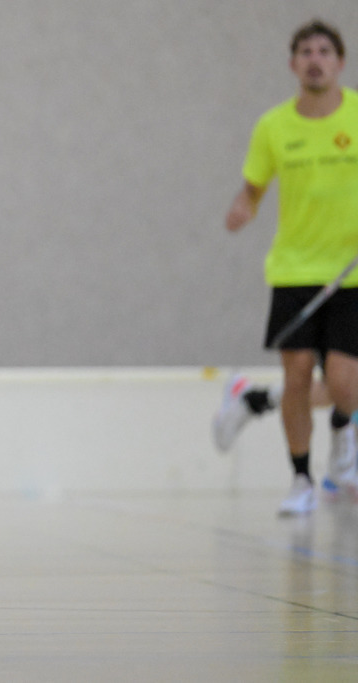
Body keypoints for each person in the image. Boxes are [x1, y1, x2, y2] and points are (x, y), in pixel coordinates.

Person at [223, 19, 358, 517]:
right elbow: (253, 188)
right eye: (305, 51)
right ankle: (301, 477)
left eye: (325, 50)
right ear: (293, 64)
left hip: (349, 274)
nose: (315, 58)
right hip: (294, 270)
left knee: (346, 380)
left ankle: (344, 435)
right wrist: (243, 208)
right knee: (298, 375)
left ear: (340, 62)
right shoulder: (274, 126)